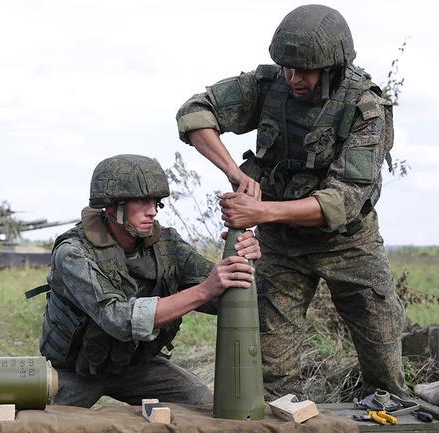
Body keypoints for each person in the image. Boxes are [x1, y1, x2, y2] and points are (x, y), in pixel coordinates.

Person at [176, 4, 407, 399]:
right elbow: (195, 113)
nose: (293, 78)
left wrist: (259, 211)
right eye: (286, 67)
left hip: (349, 244)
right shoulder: (269, 86)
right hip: (281, 246)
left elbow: (341, 202)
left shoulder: (366, 110)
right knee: (271, 377)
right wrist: (236, 173)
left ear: (332, 67)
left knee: (383, 356)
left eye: (304, 70)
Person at [31, 154, 260, 407]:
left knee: (203, 406)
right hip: (73, 371)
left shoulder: (167, 245)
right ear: (111, 207)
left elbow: (224, 297)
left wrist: (241, 256)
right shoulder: (74, 253)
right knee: (38, 424)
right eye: (140, 201)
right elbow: (119, 319)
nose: (152, 211)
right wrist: (205, 289)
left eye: (155, 201)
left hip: (134, 367)